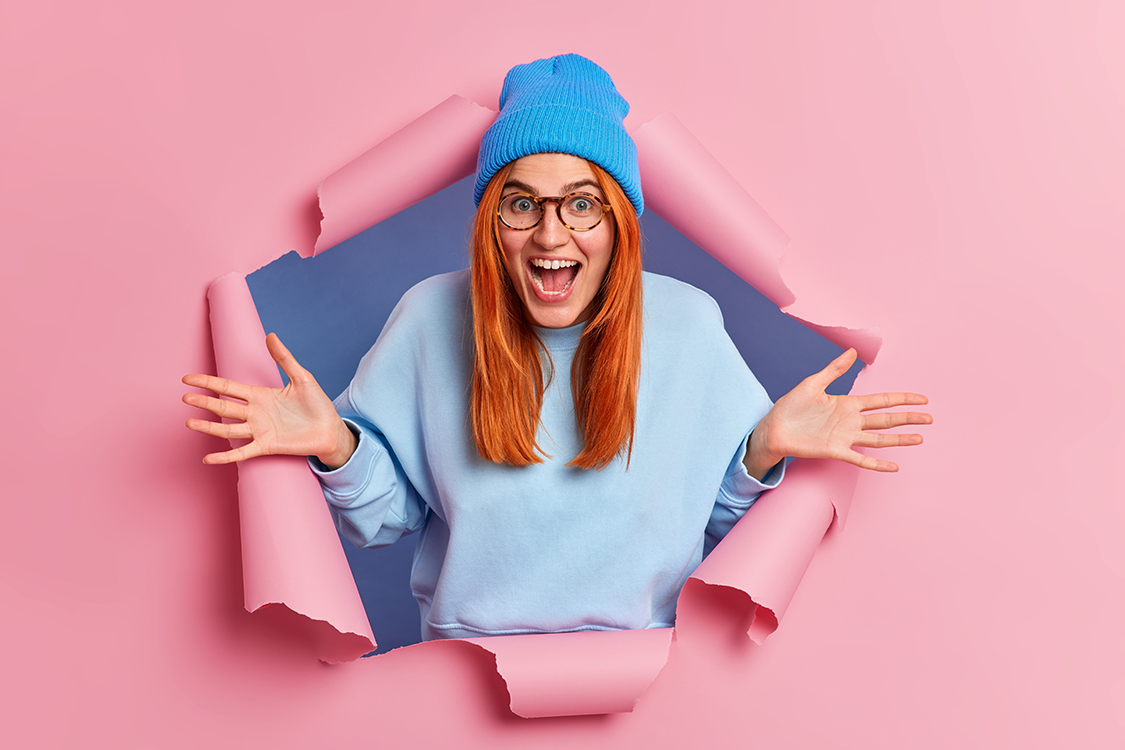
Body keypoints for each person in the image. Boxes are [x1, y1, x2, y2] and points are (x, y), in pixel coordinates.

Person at [183, 54, 931, 640]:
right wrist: (335, 446)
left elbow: (714, 522)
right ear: (490, 220)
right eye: (520, 202)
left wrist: (762, 448)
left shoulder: (686, 325)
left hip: (644, 681)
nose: (550, 235)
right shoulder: (430, 318)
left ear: (620, 223)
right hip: (467, 679)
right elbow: (388, 519)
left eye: (581, 204)